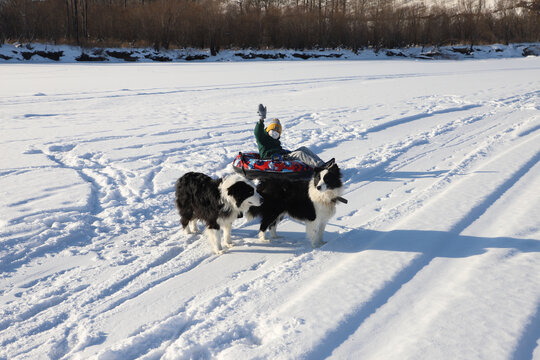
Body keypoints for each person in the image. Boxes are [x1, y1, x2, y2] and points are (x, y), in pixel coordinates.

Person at [254, 104, 333, 168]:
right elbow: (257, 132)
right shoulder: (263, 139)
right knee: (299, 154)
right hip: (271, 159)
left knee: (303, 148)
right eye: (272, 132)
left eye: (276, 134)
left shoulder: (275, 141)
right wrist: (261, 119)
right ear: (268, 131)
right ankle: (320, 167)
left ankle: (322, 164)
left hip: (281, 155)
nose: (274, 135)